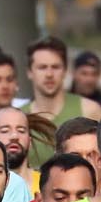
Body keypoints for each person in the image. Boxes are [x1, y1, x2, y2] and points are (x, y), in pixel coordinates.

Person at [23, 38, 92, 167]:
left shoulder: (89, 110)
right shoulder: (19, 117)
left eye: (55, 67)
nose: (49, 74)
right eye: (42, 67)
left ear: (65, 70)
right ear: (29, 72)